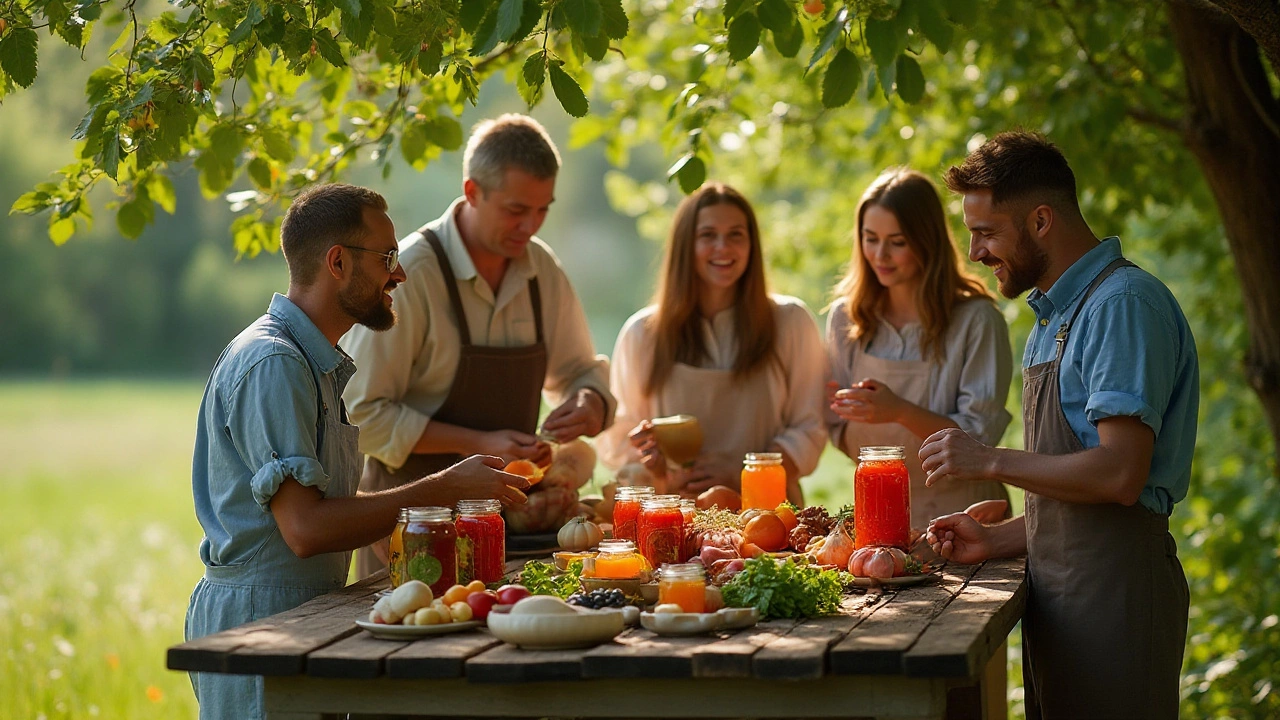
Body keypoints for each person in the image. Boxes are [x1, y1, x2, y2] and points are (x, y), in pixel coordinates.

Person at [184, 184, 530, 720]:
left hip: (300, 617)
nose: (400, 273)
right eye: (387, 257)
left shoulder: (311, 360)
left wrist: (437, 514)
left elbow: (324, 504)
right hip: (259, 626)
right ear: (338, 262)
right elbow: (306, 529)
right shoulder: (273, 363)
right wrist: (444, 488)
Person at [923, 131, 1198, 719]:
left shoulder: (1121, 305)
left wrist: (988, 460)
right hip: (1063, 603)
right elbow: (1076, 488)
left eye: (987, 232)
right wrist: (998, 539)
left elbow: (1121, 476)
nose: (975, 253)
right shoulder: (1054, 317)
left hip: (1117, 602)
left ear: (1041, 220)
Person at [343, 115, 615, 576]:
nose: (530, 225)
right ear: (472, 192)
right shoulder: (413, 273)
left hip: (509, 528)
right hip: (412, 528)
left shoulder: (540, 270)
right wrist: (477, 443)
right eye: (515, 210)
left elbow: (579, 371)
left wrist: (589, 400)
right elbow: (360, 414)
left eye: (542, 209)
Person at [596, 183, 826, 506]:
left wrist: (742, 471)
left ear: (752, 245)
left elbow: (810, 427)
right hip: (675, 519)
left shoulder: (790, 322)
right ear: (684, 245)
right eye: (707, 235)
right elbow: (618, 438)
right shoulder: (642, 333)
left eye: (736, 235)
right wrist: (653, 463)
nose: (723, 247)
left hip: (771, 518)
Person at [826, 167, 1013, 528]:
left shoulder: (976, 320)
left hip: (969, 517)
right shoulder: (846, 318)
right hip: (880, 517)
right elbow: (834, 428)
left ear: (926, 240)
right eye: (870, 238)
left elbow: (980, 438)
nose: (880, 255)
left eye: (897, 242)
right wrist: (843, 413)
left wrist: (898, 411)